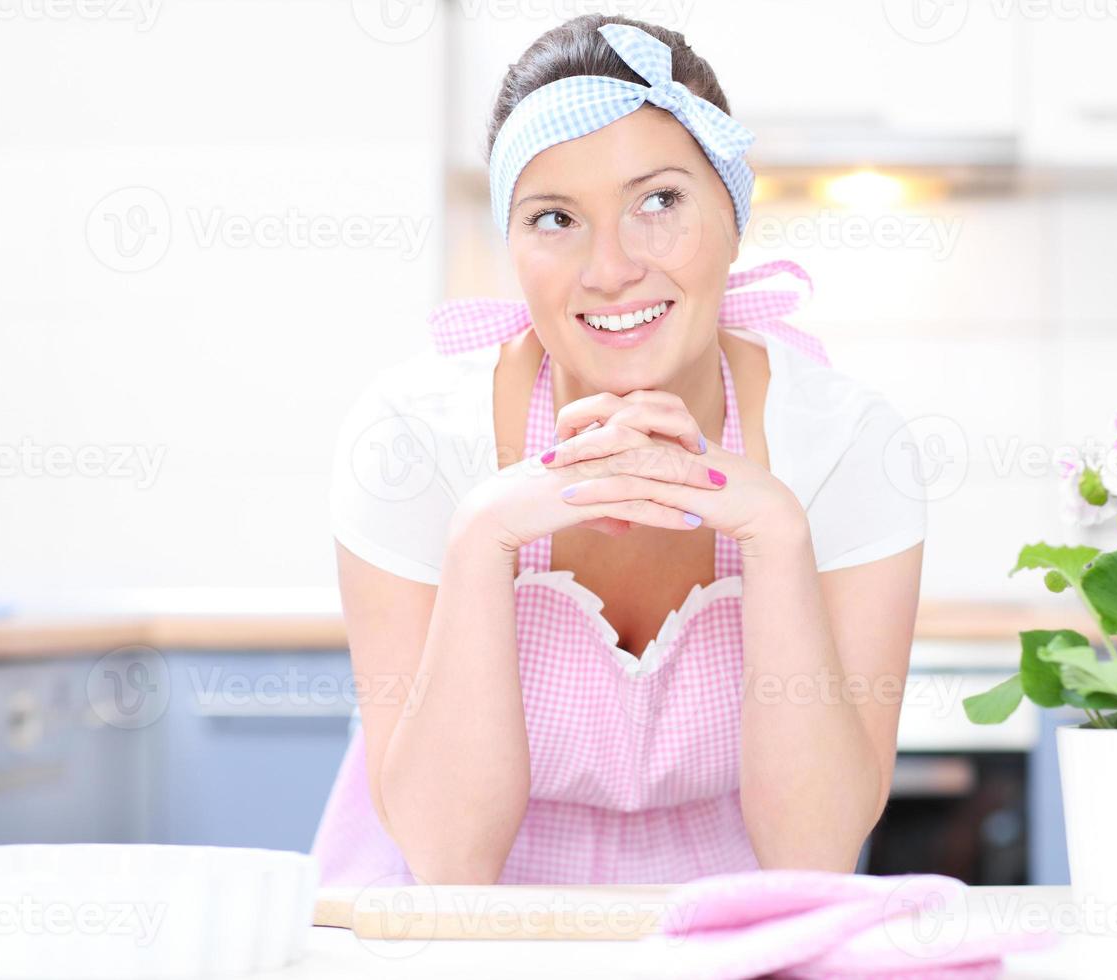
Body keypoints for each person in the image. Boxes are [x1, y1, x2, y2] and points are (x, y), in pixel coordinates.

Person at [310, 14, 927, 886]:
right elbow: (447, 862)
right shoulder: (412, 441)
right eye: (554, 217)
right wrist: (480, 537)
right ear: (512, 244)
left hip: (727, 925)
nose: (609, 268)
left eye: (659, 202)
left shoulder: (844, 446)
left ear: (733, 211)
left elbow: (813, 854)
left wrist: (776, 536)